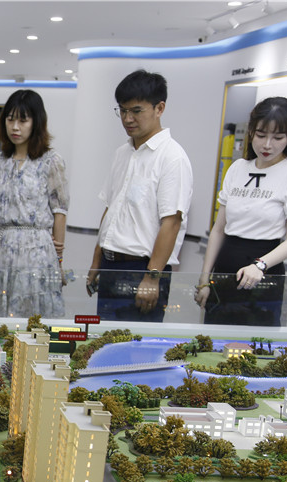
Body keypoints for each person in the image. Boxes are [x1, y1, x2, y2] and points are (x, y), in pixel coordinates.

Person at [195, 97, 287, 326]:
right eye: (260, 135)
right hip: (225, 269)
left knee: (256, 341)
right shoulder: (237, 168)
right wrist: (204, 278)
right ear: (251, 132)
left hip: (263, 273)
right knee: (214, 341)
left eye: (278, 138)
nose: (267, 145)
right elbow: (218, 230)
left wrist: (260, 265)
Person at [86, 69, 193, 322]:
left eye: (136, 111)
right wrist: (96, 261)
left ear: (159, 108)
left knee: (136, 344)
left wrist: (152, 277)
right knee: (104, 341)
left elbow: (172, 223)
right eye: (122, 111)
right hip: (111, 264)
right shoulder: (122, 153)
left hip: (142, 269)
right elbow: (111, 210)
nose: (127, 118)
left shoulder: (172, 157)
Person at [0, 90, 68, 318]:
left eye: (23, 121)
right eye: (10, 119)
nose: (15, 127)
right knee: (0, 320)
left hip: (36, 249)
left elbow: (60, 209)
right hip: (2, 248)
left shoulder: (51, 161)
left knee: (33, 319)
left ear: (36, 122)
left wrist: (59, 261)